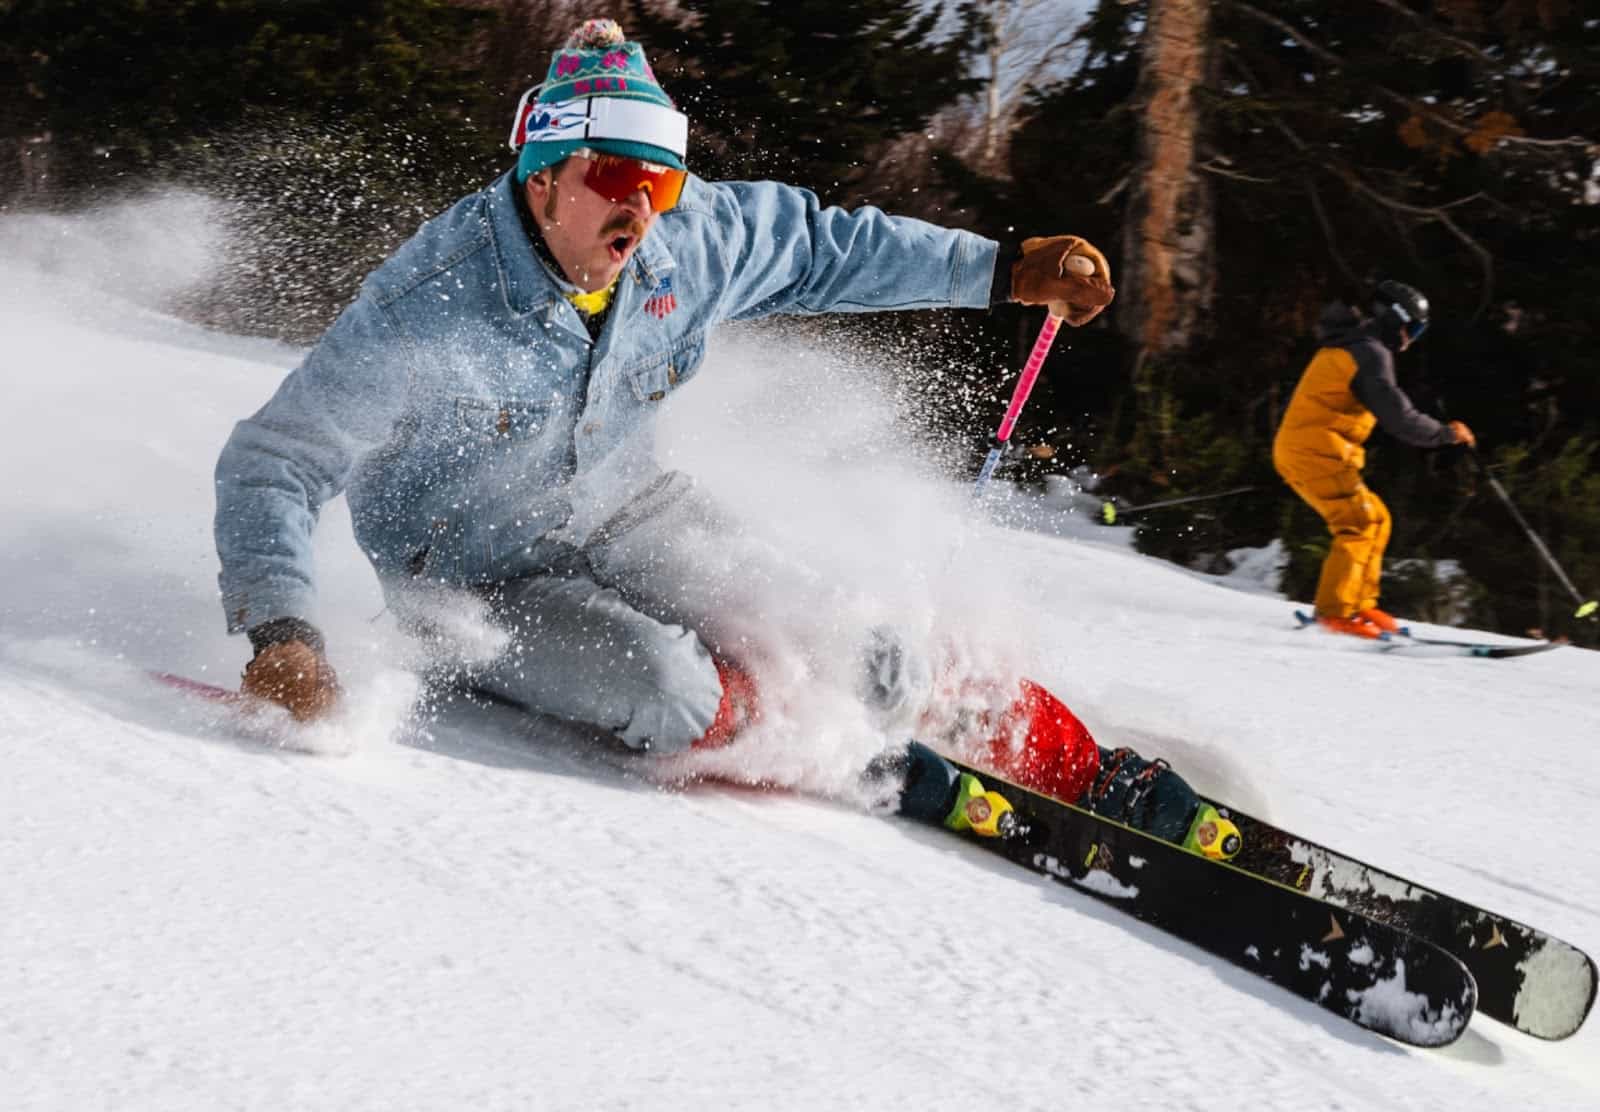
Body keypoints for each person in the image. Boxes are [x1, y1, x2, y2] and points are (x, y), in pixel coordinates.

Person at [214, 19, 1232, 855]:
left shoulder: (686, 240)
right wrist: (281, 630)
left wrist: (1004, 268)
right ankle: (822, 743)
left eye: (659, 183)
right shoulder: (431, 307)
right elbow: (276, 460)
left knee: (865, 647)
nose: (642, 211)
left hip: (633, 514)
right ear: (541, 176)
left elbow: (830, 248)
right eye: (615, 178)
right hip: (477, 575)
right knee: (674, 688)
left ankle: (1086, 774)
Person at [1273, 281, 1475, 639]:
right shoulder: (1368, 353)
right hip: (1315, 450)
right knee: (1358, 523)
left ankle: (1358, 604)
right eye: (1413, 327)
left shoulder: (1355, 345)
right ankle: (1335, 614)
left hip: (1314, 449)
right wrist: (1447, 435)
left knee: (1376, 518)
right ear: (1394, 319)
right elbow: (1398, 418)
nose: (1413, 338)